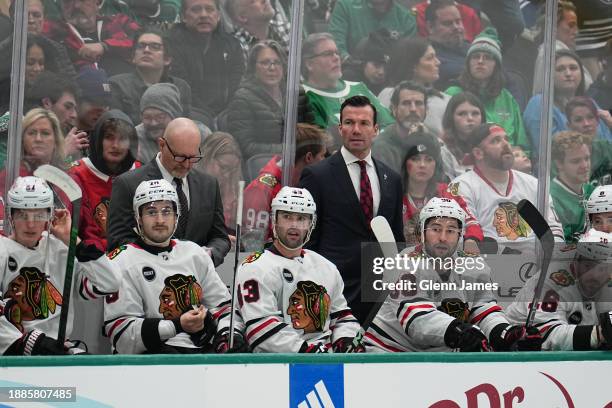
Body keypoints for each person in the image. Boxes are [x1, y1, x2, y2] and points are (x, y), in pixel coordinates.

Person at [365, 197, 540, 352]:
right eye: (435, 229)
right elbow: (418, 321)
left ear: (460, 236)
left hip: (436, 356)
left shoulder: (473, 266)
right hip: (389, 352)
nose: (443, 237)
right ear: (422, 233)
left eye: (450, 230)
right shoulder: (405, 263)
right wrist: (460, 332)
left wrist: (502, 332)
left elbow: (483, 310)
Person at [102, 179, 244, 354]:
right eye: (151, 212)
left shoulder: (194, 253)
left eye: (167, 211)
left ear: (176, 215)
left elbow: (224, 308)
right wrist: (177, 325)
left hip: (198, 353)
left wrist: (227, 335)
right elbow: (122, 336)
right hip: (146, 360)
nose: (160, 220)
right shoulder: (121, 260)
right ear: (138, 217)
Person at [299, 95, 404, 323]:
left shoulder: (392, 179)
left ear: (375, 129)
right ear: (340, 128)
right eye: (349, 123)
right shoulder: (317, 176)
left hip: (380, 296)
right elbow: (308, 240)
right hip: (334, 290)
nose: (356, 129)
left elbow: (395, 238)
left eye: (364, 123)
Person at [0, 176, 119, 355]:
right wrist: (35, 343)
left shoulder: (61, 250)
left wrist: (73, 241)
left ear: (50, 215)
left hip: (60, 348)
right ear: (11, 216)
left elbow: (110, 283)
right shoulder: (2, 250)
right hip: (13, 353)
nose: (31, 223)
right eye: (22, 214)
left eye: (39, 215)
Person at [235, 186, 363, 353]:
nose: (294, 225)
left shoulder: (326, 267)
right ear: (275, 220)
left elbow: (341, 317)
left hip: (325, 359)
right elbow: (261, 329)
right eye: (287, 217)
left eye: (301, 218)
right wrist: (306, 351)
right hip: (276, 365)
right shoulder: (254, 267)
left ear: (311, 223)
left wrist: (346, 339)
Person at [108, 118, 230, 265]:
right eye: (180, 157)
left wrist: (210, 254)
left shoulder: (208, 184)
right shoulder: (128, 184)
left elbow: (220, 237)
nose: (186, 165)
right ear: (162, 145)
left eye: (192, 157)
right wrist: (164, 258)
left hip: (197, 280)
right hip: (147, 279)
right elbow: (118, 241)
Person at [447, 123, 564, 253]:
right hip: (489, 266)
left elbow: (553, 229)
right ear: (478, 153)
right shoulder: (461, 187)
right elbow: (466, 237)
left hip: (537, 264)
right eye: (496, 141)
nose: (506, 144)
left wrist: (553, 258)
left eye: (506, 139)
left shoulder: (533, 184)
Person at [506, 231, 612, 350]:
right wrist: (599, 334)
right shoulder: (552, 283)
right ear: (575, 262)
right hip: (517, 353)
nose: (594, 275)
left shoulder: (606, 283)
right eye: (588, 266)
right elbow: (547, 335)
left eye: (602, 269)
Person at [446, 28, 531, 156]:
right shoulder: (452, 93)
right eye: (475, 57)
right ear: (468, 63)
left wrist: (517, 154)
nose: (480, 61)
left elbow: (522, 143)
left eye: (487, 57)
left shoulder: (507, 97)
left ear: (496, 65)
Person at [301, 33, 394, 143]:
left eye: (337, 53)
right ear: (309, 64)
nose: (336, 58)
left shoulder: (358, 88)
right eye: (328, 54)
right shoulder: (303, 97)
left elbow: (390, 127)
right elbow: (327, 142)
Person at [68, 110, 140, 251]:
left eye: (123, 139)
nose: (116, 145)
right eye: (109, 137)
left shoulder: (139, 172)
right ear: (97, 140)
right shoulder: (77, 173)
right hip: (91, 258)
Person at [243, 123, 328, 243]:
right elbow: (253, 242)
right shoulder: (262, 189)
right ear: (309, 157)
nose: (325, 161)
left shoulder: (303, 185)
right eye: (322, 156)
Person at [399, 133, 483, 251]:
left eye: (429, 160)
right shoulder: (393, 192)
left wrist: (471, 239)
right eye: (415, 159)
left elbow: (471, 223)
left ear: (436, 164)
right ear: (405, 163)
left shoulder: (446, 192)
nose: (422, 165)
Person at [168, 0, 245, 124]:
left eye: (209, 9)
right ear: (183, 16)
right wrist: (208, 116)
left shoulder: (232, 45)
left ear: (218, 16)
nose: (203, 15)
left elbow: (237, 85)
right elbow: (183, 89)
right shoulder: (172, 45)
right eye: (196, 10)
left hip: (226, 113)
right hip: (188, 112)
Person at [524, 50, 612, 153]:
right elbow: (551, 151)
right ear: (548, 75)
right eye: (560, 69)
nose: (568, 73)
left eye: (573, 68)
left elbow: (608, 143)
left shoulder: (590, 102)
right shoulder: (540, 103)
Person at [109, 28, 193, 125]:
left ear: (167, 59)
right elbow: (116, 127)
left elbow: (184, 125)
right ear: (133, 57)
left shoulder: (180, 86)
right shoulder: (117, 85)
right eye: (141, 46)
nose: (146, 50)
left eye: (155, 47)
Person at [43, 0, 140, 76]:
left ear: (97, 2)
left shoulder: (118, 21)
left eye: (82, 0)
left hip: (123, 90)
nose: (76, 6)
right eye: (68, 1)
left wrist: (105, 46)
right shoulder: (54, 29)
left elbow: (142, 42)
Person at [226, 40, 285, 162]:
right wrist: (287, 150)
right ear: (253, 68)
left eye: (277, 63)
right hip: (263, 167)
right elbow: (246, 147)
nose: (272, 68)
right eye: (265, 63)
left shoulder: (293, 95)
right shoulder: (242, 99)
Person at [378, 36, 450, 136]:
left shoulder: (446, 100)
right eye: (430, 58)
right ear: (413, 65)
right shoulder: (388, 95)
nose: (438, 62)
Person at [25, 72, 88, 161]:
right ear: (47, 103)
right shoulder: (12, 129)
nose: (74, 115)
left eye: (45, 133)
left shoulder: (68, 137)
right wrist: (63, 152)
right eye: (68, 107)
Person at [532, 1, 593, 94]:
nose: (576, 32)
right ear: (553, 27)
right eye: (571, 25)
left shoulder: (557, 50)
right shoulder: (550, 53)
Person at [372, 81, 431, 174]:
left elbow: (441, 181)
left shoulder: (431, 141)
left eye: (419, 103)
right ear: (394, 109)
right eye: (406, 103)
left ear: (426, 109)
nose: (413, 109)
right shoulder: (382, 147)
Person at [328, 0, 416, 61]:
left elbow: (408, 59)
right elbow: (336, 45)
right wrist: (350, 62)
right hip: (352, 74)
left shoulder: (407, 19)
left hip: (391, 78)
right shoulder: (345, 6)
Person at [550, 131, 595, 244]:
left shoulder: (593, 191)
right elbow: (564, 247)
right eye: (576, 161)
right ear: (559, 164)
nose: (585, 165)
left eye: (587, 158)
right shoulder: (551, 198)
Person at [197, 132, 243, 235]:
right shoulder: (191, 187)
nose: (227, 175)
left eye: (232, 170)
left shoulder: (235, 188)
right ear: (207, 158)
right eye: (223, 167)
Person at [438, 91, 485, 178]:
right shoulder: (443, 150)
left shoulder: (491, 145)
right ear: (451, 118)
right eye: (462, 114)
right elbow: (449, 188)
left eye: (475, 113)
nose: (470, 118)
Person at [425, 0, 469, 91]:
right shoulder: (426, 55)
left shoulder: (473, 49)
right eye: (447, 23)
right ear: (430, 27)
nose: (456, 27)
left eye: (458, 21)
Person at [136, 83, 184, 164]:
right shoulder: (134, 139)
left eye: (160, 117)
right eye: (147, 117)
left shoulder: (198, 135)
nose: (153, 123)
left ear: (174, 116)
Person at [225, 0, 290, 58]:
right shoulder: (237, 48)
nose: (264, 1)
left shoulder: (288, 29)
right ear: (242, 17)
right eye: (253, 1)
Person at [342, 29, 394, 96]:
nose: (381, 72)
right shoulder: (348, 83)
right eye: (376, 65)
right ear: (363, 63)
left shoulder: (388, 85)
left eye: (386, 67)